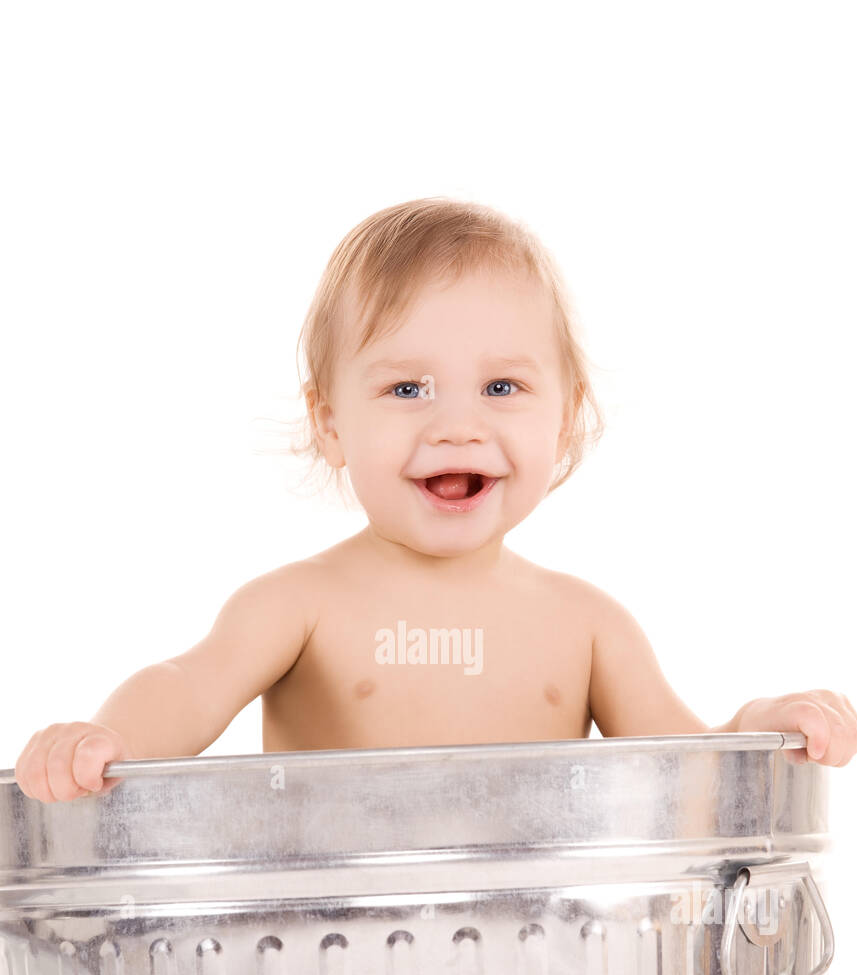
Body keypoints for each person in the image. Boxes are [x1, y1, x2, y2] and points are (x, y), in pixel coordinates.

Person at [14, 197, 856, 802]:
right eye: (409, 388)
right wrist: (107, 741)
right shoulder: (300, 605)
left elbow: (693, 767)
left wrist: (761, 722)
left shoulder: (586, 623)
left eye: (501, 385)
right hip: (328, 966)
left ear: (564, 420)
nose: (457, 426)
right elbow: (187, 687)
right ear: (331, 422)